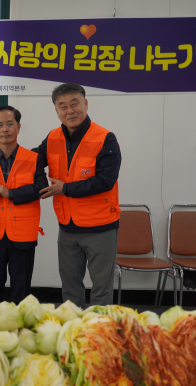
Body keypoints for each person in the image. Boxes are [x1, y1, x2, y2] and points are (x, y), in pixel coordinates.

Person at [37, 83, 121, 309]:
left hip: (100, 227)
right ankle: (72, 335)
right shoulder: (53, 137)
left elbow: (105, 181)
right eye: (62, 106)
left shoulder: (105, 138)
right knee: (70, 287)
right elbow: (33, 161)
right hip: (67, 227)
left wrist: (64, 189)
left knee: (101, 289)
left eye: (74, 103)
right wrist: (5, 157)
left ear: (85, 103)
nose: (69, 110)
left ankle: (100, 337)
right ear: (56, 111)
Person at [0, 106, 47, 304]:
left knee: (22, 291)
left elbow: (41, 189)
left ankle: (21, 333)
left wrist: (11, 193)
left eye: (10, 124)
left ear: (18, 127)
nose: (5, 129)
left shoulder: (34, 158)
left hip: (23, 235)